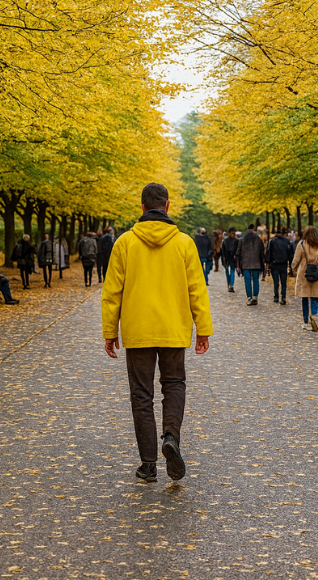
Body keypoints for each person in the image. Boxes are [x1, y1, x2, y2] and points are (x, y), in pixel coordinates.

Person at [102, 182, 212, 483]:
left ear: (142, 207)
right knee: (174, 384)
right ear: (167, 206)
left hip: (138, 330)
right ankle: (171, 437)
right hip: (174, 328)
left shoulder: (124, 243)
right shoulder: (184, 243)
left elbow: (112, 293)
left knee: (141, 395)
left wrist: (110, 331)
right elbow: (197, 291)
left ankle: (148, 464)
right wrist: (203, 329)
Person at [291, 226, 318, 332]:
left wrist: (293, 268)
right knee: (315, 296)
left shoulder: (302, 244)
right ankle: (314, 315)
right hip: (317, 274)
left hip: (304, 274)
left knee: (304, 298)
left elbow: (296, 259)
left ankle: (305, 322)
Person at [235, 223, 264, 306]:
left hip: (245, 264)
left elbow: (238, 253)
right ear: (253, 229)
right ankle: (255, 297)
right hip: (256, 264)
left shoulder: (242, 239)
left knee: (247, 281)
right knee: (255, 281)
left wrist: (238, 265)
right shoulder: (258, 239)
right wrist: (263, 264)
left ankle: (249, 298)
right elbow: (262, 252)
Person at [265, 226, 295, 305]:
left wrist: (267, 263)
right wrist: (291, 264)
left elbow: (268, 253)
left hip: (274, 264)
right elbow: (291, 254)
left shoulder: (272, 241)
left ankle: (276, 296)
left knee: (276, 282)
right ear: (284, 233)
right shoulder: (288, 242)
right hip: (284, 264)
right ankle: (283, 297)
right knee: (283, 282)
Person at [220, 227, 238, 292]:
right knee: (228, 271)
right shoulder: (226, 240)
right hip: (228, 258)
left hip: (232, 258)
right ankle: (230, 284)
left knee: (232, 271)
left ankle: (231, 284)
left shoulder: (236, 240)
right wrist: (223, 258)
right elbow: (223, 250)